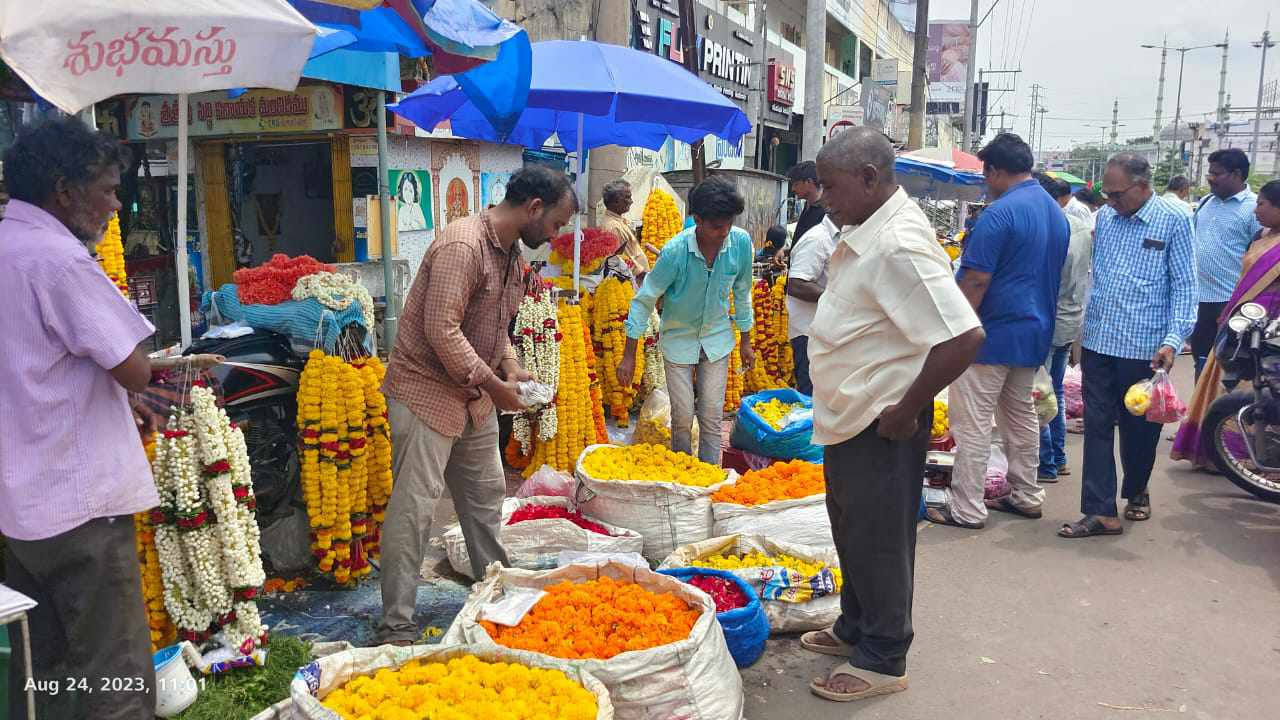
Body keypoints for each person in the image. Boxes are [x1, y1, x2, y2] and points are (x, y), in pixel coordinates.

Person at [0, 117, 215, 719]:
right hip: (79, 507)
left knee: (45, 672)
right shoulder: (58, 260)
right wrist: (130, 381)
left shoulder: (6, 244)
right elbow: (134, 368)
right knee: (114, 676)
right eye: (107, 189)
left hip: (21, 510)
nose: (115, 207)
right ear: (65, 190)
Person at [800, 127, 984, 702]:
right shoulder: (865, 231)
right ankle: (856, 624)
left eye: (830, 187)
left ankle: (884, 654)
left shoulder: (898, 243)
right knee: (851, 528)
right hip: (851, 414)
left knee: (880, 536)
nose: (823, 198)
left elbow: (962, 336)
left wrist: (905, 411)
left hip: (882, 419)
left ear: (869, 178)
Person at [378, 166, 578, 643]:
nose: (555, 237)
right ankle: (397, 624)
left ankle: (495, 590)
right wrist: (494, 384)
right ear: (533, 208)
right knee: (415, 509)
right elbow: (441, 329)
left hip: (474, 396)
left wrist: (511, 366)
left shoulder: (512, 254)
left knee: (486, 498)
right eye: (555, 225)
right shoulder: (463, 246)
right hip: (426, 391)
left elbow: (494, 326)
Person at [927, 134, 1068, 530]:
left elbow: (975, 281)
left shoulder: (998, 214)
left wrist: (950, 333)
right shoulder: (1055, 212)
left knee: (971, 426)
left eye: (986, 174)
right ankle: (1026, 494)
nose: (985, 183)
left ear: (996, 170)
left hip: (990, 336)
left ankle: (967, 509)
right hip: (1033, 334)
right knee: (1021, 419)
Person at [1060, 154, 1196, 538]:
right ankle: (1101, 511)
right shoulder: (1106, 218)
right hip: (1100, 343)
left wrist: (1172, 341)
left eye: (1117, 194)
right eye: (1107, 193)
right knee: (1099, 427)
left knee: (1139, 432)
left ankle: (1136, 488)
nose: (1111, 200)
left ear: (1141, 186)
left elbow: (1185, 287)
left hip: (1145, 348)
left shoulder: (1175, 219)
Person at [617, 176, 755, 465]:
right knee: (681, 417)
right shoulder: (675, 252)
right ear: (697, 220)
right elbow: (644, 300)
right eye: (716, 226)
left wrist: (746, 341)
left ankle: (708, 476)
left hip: (717, 339)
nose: (724, 232)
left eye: (728, 224)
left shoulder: (740, 244)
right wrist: (629, 355)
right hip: (678, 340)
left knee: (712, 415)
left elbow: (743, 293)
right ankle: (684, 473)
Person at [1173, 180, 1280, 467]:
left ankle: (1253, 457)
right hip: (1242, 319)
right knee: (1223, 380)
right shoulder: (1260, 236)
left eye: (1263, 204)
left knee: (1263, 389)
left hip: (1270, 328)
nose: (1256, 209)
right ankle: (1215, 453)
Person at [1035, 173, 1094, 482]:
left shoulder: (1052, 230)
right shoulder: (1083, 230)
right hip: (1070, 318)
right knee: (1052, 391)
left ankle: (1046, 463)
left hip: (1050, 319)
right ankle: (1057, 458)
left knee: (1038, 393)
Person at [1189, 149, 1263, 380]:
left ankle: (1224, 412)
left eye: (1216, 173)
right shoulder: (1206, 203)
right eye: (1209, 173)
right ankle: (1200, 413)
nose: (1210, 178)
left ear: (1237, 174)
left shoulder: (1255, 208)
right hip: (1198, 298)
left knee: (1227, 365)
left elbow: (1260, 256)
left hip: (1229, 301)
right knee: (1201, 359)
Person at [785, 214, 839, 396]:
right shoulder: (817, 240)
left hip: (829, 333)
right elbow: (797, 284)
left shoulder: (844, 238)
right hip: (809, 334)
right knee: (812, 395)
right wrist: (839, 299)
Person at [600, 179, 651, 282]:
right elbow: (619, 260)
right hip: (633, 283)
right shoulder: (613, 227)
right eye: (627, 197)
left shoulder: (619, 221)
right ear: (616, 201)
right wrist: (644, 276)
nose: (631, 201)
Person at [788, 160, 827, 243]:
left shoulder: (827, 211)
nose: (793, 189)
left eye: (796, 184)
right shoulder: (808, 206)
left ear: (809, 182)